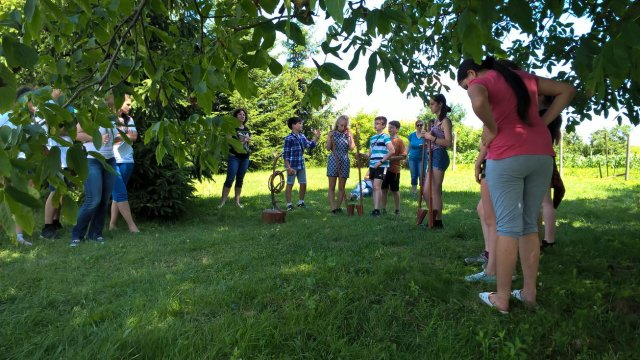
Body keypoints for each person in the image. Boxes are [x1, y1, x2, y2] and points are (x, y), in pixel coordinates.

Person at [458, 56, 575, 313]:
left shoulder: (484, 81)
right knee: (529, 224)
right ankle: (529, 293)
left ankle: (501, 299)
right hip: (542, 155)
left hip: (507, 154)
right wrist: (542, 124)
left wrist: (492, 126)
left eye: (465, 84)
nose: (468, 87)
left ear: (473, 72)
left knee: (508, 227)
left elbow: (478, 100)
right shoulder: (525, 78)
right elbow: (567, 90)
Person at [70, 95, 119, 247]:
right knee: (93, 200)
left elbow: (112, 136)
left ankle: (96, 234)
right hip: (92, 160)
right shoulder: (90, 114)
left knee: (104, 200)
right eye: (111, 93)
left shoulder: (112, 114)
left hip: (109, 160)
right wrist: (94, 138)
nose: (113, 95)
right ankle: (77, 235)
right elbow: (76, 134)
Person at [41, 88, 75, 240]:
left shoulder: (70, 105)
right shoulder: (48, 106)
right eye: (58, 88)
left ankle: (55, 221)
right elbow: (52, 130)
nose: (61, 90)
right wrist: (69, 131)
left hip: (67, 155)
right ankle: (47, 227)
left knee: (62, 190)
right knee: (55, 190)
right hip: (56, 156)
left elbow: (74, 126)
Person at [464, 141, 498, 282]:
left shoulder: (496, 119)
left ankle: (496, 267)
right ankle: (489, 254)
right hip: (499, 160)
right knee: (483, 209)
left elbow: (485, 141)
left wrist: (477, 164)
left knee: (494, 218)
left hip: (498, 161)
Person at [109, 94, 140, 233]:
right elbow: (109, 139)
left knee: (117, 194)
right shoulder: (109, 119)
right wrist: (124, 135)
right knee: (121, 193)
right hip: (112, 160)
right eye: (127, 104)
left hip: (127, 160)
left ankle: (112, 225)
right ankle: (132, 226)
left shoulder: (129, 119)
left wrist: (119, 136)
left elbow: (134, 137)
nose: (130, 106)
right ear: (119, 103)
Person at [421, 94, 452, 228]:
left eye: (432, 103)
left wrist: (431, 138)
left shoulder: (445, 121)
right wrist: (426, 136)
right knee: (426, 191)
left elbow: (448, 142)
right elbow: (432, 138)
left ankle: (437, 221)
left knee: (434, 189)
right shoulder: (435, 121)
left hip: (439, 155)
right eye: (430, 104)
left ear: (440, 104)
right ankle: (433, 217)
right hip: (432, 155)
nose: (430, 106)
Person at [539, 95, 565, 249]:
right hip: (547, 156)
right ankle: (549, 239)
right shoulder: (555, 115)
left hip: (536, 156)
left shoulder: (540, 114)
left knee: (543, 203)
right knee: (546, 202)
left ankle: (546, 239)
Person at [283, 116, 320, 211]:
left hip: (301, 165)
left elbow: (310, 145)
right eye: (299, 123)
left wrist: (316, 137)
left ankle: (301, 202)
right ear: (293, 125)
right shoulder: (288, 138)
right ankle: (289, 204)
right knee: (290, 184)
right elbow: (286, 155)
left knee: (303, 183)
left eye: (301, 123)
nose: (301, 125)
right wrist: (288, 167)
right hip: (292, 165)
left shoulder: (302, 136)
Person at [219, 108, 251, 209]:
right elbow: (228, 140)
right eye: (240, 114)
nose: (243, 116)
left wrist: (247, 141)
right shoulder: (231, 128)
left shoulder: (247, 129)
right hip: (234, 157)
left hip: (245, 157)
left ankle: (237, 202)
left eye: (244, 114)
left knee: (240, 179)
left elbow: (247, 144)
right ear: (235, 116)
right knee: (230, 178)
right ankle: (222, 202)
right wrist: (242, 139)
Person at [363, 116, 395, 216]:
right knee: (374, 188)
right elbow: (370, 154)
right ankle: (375, 209)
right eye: (375, 123)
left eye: (378, 123)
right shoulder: (372, 138)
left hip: (381, 165)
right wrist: (362, 154)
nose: (375, 125)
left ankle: (377, 210)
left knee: (377, 186)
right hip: (372, 165)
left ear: (384, 125)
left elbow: (392, 151)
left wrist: (381, 162)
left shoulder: (385, 137)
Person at [326, 115, 355, 214]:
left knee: (342, 186)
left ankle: (338, 207)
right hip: (333, 159)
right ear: (337, 123)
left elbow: (351, 148)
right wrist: (330, 137)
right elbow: (328, 148)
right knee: (332, 185)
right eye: (341, 125)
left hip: (344, 160)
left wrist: (350, 137)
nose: (343, 127)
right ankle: (333, 207)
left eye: (345, 125)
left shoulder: (348, 133)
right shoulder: (332, 133)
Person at [380, 120, 407, 215]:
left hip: (394, 170)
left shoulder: (399, 141)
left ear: (397, 129)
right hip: (383, 168)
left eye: (392, 127)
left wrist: (391, 158)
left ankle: (397, 210)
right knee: (383, 189)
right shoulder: (384, 139)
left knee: (395, 190)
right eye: (389, 127)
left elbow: (404, 156)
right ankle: (383, 209)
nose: (389, 129)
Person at [407, 120, 427, 195]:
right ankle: (414, 191)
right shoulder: (412, 135)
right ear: (415, 126)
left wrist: (426, 146)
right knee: (413, 174)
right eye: (417, 125)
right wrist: (405, 154)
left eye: (421, 125)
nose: (419, 126)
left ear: (423, 126)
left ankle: (423, 192)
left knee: (422, 174)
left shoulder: (426, 135)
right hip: (412, 158)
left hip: (422, 158)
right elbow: (409, 146)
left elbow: (430, 145)